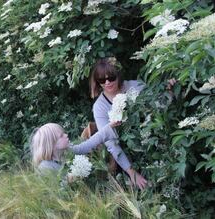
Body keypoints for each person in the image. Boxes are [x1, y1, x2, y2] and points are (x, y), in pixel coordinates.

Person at [89, 57, 148, 190]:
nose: (108, 82)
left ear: (119, 75)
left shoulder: (135, 86)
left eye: (111, 77)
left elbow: (158, 103)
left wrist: (169, 90)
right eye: (102, 80)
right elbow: (111, 142)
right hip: (127, 155)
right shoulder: (100, 106)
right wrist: (132, 173)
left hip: (152, 141)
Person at [31, 121, 120, 176]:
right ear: (52, 144)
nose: (66, 135)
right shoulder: (45, 167)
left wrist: (109, 126)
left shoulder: (68, 151)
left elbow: (89, 144)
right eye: (61, 136)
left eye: (64, 133)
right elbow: (55, 192)